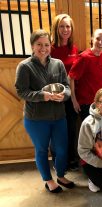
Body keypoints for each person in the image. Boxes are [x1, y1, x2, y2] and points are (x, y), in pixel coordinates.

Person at [15, 29, 75, 193]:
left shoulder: (58, 64)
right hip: (36, 119)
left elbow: (67, 87)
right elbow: (22, 92)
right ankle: (48, 180)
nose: (43, 48)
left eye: (47, 44)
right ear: (33, 46)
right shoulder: (25, 66)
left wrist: (64, 96)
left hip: (59, 117)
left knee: (62, 149)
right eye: (39, 44)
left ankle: (61, 175)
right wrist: (43, 96)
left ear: (50, 46)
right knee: (42, 149)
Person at [50, 14, 79, 171]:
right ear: (56, 28)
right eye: (62, 26)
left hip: (71, 96)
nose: (65, 29)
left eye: (68, 26)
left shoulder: (73, 49)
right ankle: (58, 160)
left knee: (71, 129)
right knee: (57, 130)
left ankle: (70, 159)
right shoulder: (51, 48)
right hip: (55, 96)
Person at [69, 29, 102, 121]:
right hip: (86, 104)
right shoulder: (84, 57)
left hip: (101, 103)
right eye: (98, 39)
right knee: (89, 134)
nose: (100, 42)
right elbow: (70, 78)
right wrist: (74, 100)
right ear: (92, 39)